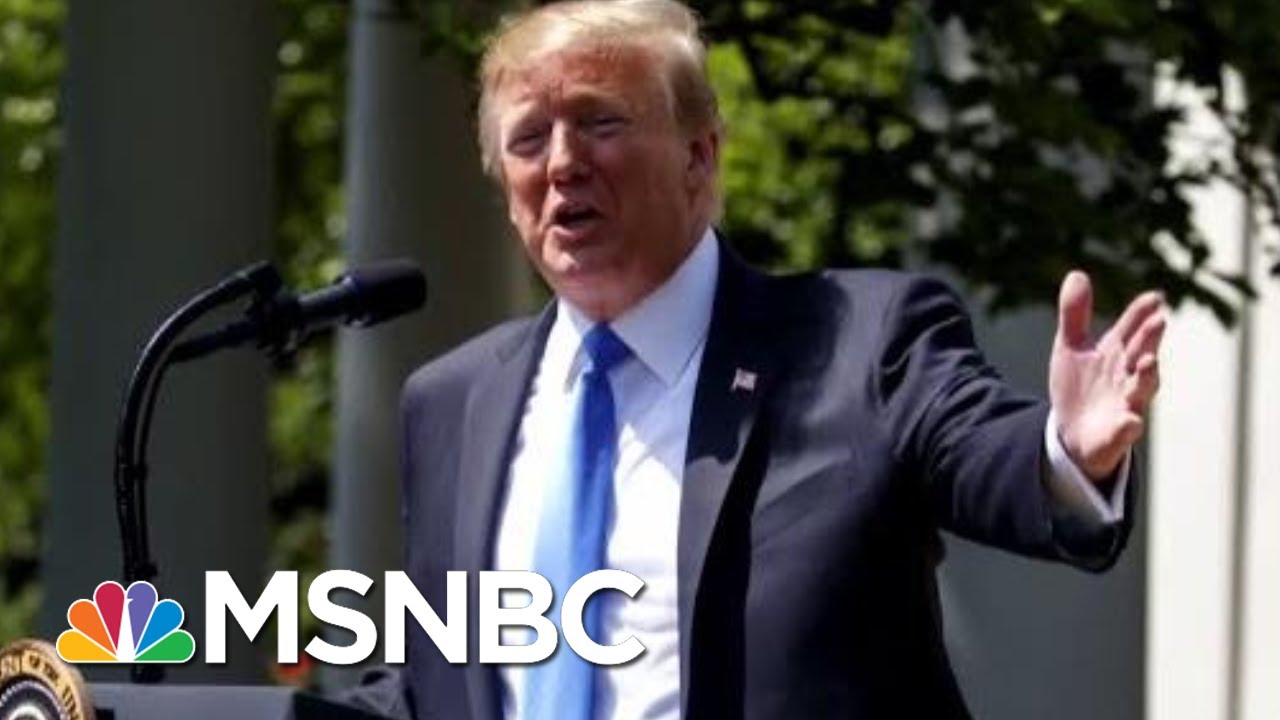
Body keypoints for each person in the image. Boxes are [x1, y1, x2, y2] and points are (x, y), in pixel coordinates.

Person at [391, 1, 1165, 718]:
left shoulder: (859, 340)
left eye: (600, 122)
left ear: (699, 155)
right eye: (529, 139)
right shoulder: (451, 401)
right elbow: (437, 679)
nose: (562, 163)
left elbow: (981, 455)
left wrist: (1065, 449)